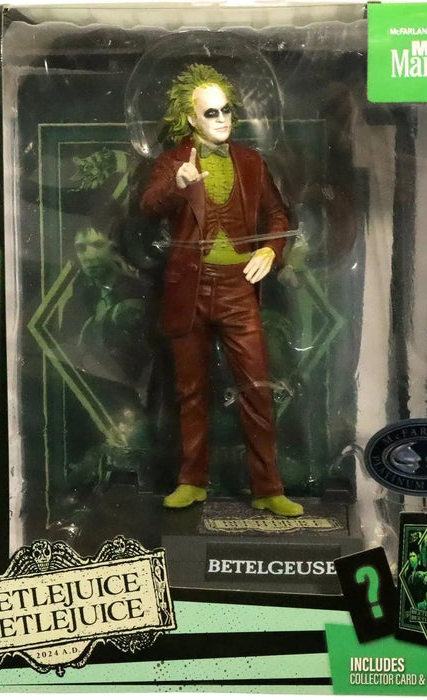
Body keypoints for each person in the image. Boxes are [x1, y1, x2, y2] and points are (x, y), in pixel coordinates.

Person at [140, 63, 302, 516]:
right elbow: (148, 206)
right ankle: (191, 481)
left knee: (257, 387)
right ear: (191, 118)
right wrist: (178, 186)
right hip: (189, 290)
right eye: (211, 112)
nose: (222, 119)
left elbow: (278, 215)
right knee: (190, 391)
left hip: (238, 289)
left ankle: (268, 488)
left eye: (226, 110)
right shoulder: (173, 162)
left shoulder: (251, 161)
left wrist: (270, 250)